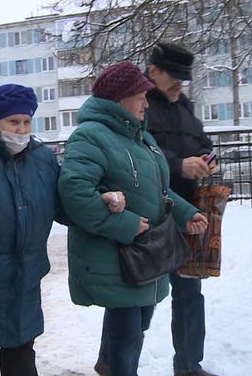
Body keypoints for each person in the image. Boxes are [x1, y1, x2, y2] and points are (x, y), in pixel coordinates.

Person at [0, 83, 123, 376]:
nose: (21, 129)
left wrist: (98, 201)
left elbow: (63, 205)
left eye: (27, 121)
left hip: (22, 285)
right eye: (13, 121)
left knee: (22, 362)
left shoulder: (41, 157)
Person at [57, 62, 208, 376]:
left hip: (145, 254)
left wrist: (186, 213)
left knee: (134, 327)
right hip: (115, 255)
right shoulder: (90, 136)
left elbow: (159, 191)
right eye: (140, 96)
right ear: (120, 99)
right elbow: (75, 193)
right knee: (127, 334)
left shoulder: (140, 137)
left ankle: (109, 365)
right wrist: (123, 224)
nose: (146, 103)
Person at [144, 42, 218, 376]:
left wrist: (207, 162)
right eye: (173, 77)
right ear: (153, 71)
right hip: (151, 212)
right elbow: (133, 154)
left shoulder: (184, 105)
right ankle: (114, 361)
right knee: (140, 295)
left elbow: (205, 146)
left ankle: (189, 366)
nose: (179, 84)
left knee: (189, 293)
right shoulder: (138, 104)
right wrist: (177, 166)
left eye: (183, 78)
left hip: (189, 214)